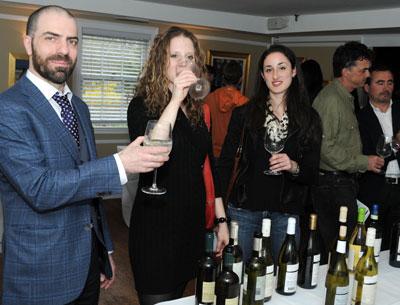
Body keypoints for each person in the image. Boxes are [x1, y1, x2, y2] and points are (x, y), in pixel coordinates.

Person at [0, 5, 168, 305]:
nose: (63, 50)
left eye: (72, 41)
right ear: (28, 43)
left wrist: (105, 250)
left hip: (87, 265)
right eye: (51, 38)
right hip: (41, 274)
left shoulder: (79, 106)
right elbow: (40, 189)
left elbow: (88, 189)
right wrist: (120, 164)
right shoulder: (9, 109)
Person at [127, 26, 229, 305]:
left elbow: (210, 166)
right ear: (160, 61)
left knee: (181, 298)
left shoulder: (198, 110)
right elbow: (153, 148)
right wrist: (175, 99)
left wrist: (221, 221)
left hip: (190, 225)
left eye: (189, 56)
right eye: (174, 56)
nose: (183, 63)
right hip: (155, 226)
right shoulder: (140, 106)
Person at [218, 44, 322, 263]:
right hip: (244, 210)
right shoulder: (244, 114)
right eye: (268, 69)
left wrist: (293, 166)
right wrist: (220, 218)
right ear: (262, 75)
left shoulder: (309, 118)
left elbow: (312, 173)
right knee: (238, 275)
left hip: (286, 212)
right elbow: (226, 163)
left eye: (282, 67)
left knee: (284, 276)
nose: (275, 75)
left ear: (294, 71)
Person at [312, 41, 384, 264]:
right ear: (345, 71)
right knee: (340, 248)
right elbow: (325, 148)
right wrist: (364, 162)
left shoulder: (345, 97)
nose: (367, 74)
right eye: (363, 70)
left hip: (340, 183)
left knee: (342, 247)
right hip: (332, 185)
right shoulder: (332, 99)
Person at [357, 63, 400, 250]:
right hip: (373, 188)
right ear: (367, 87)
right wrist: (396, 145)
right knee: (371, 243)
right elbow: (368, 154)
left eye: (390, 83)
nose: (386, 88)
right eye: (380, 82)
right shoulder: (359, 118)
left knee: (396, 243)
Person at [205, 60, 249, 160]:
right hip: (233, 154)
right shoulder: (245, 103)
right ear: (240, 79)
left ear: (223, 78)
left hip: (211, 152)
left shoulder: (210, 98)